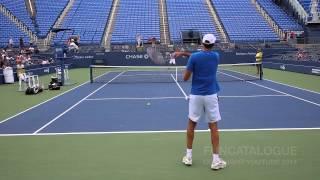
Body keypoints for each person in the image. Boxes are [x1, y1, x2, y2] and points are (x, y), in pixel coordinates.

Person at [175, 34, 226, 170]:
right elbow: (200, 55)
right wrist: (183, 53)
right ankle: (216, 161)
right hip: (211, 95)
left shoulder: (194, 58)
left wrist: (186, 64)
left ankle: (188, 157)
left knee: (192, 124)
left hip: (196, 95)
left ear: (202, 43)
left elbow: (185, 78)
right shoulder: (216, 56)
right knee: (213, 126)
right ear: (213, 44)